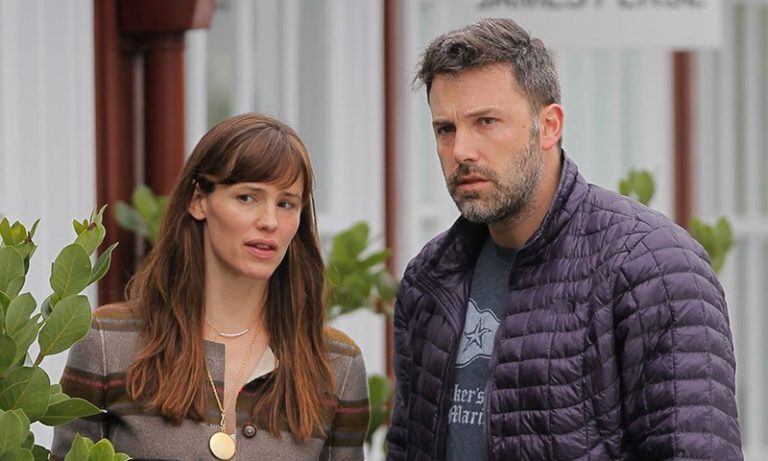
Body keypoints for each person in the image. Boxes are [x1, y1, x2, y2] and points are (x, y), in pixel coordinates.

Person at [386, 18, 742, 461]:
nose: (461, 151)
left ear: (549, 125)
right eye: (446, 129)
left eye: (486, 122)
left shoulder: (656, 269)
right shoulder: (429, 279)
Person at [52, 113, 370, 460]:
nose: (269, 221)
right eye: (247, 197)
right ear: (198, 200)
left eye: (286, 203)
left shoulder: (337, 364)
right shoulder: (107, 343)